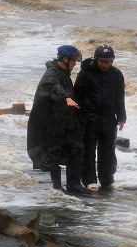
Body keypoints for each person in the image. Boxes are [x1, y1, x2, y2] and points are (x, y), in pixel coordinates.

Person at [27, 44, 90, 195]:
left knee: (76, 150)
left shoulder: (65, 72)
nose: (75, 64)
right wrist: (66, 97)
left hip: (67, 121)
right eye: (74, 61)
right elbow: (54, 87)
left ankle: (74, 184)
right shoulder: (51, 72)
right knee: (54, 153)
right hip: (54, 123)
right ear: (65, 59)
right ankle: (57, 186)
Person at [74, 44, 126, 191]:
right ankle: (89, 180)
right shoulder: (86, 73)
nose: (104, 64)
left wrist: (121, 116)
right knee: (89, 150)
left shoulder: (117, 75)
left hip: (109, 118)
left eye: (108, 61)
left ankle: (107, 180)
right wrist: (77, 115)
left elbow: (119, 97)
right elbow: (77, 94)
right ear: (96, 59)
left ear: (112, 61)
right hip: (89, 118)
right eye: (102, 61)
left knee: (108, 150)